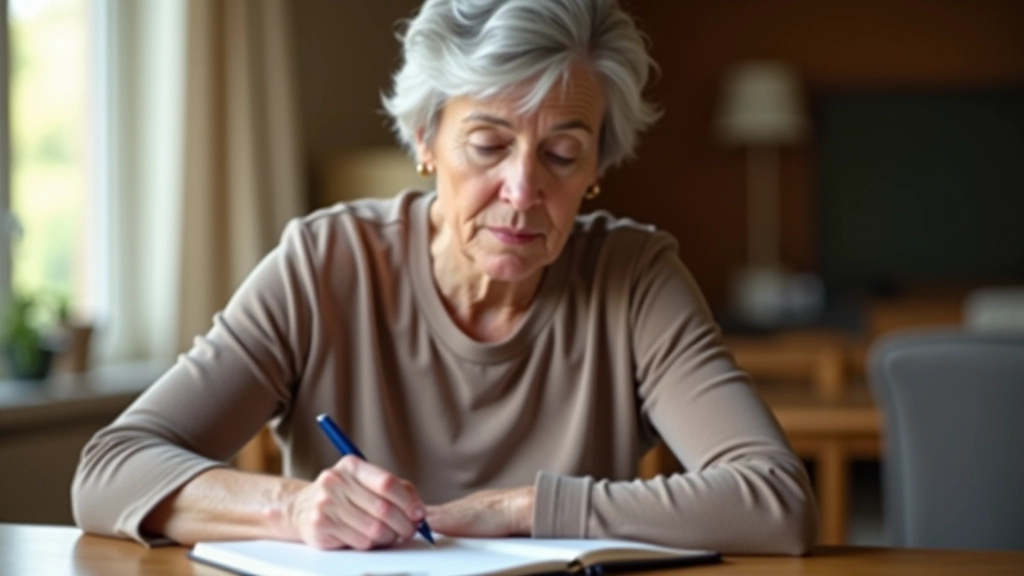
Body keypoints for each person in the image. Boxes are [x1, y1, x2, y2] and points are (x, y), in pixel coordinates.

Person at [73, 0, 817, 555]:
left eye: (562, 155)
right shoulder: (326, 263)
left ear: (597, 168)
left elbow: (774, 500)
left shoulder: (636, 279)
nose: (523, 192)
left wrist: (518, 510)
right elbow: (110, 470)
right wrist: (294, 510)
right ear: (426, 140)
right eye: (489, 144)